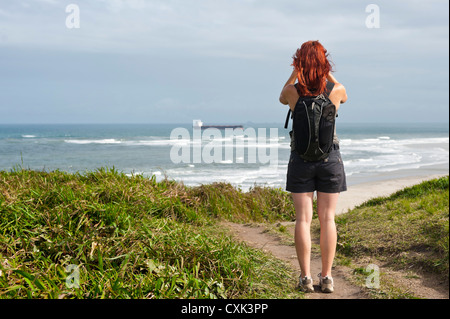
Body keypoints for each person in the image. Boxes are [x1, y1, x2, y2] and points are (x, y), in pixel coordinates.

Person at [279, 40, 348, 293]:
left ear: (299, 62)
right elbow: (346, 95)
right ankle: (327, 278)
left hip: (301, 160)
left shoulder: (292, 92)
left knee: (303, 220)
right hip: (330, 160)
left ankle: (305, 278)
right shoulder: (336, 90)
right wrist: (325, 71)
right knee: (328, 218)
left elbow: (281, 95)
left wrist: (297, 71)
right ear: (324, 63)